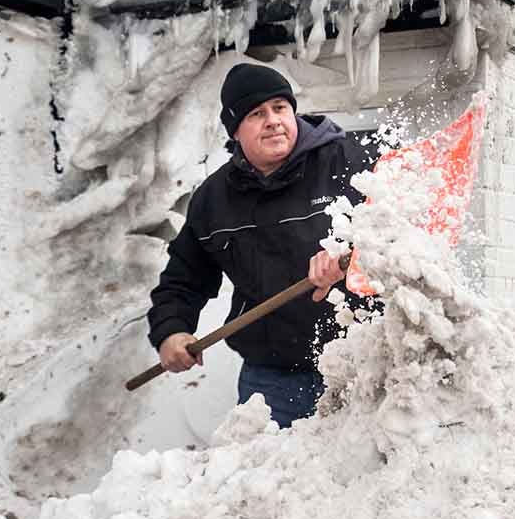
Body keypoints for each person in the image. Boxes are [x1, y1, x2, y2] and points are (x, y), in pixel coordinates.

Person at [146, 62, 374, 428]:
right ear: (235, 130)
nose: (272, 120)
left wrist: (350, 257)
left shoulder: (347, 161)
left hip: (363, 365)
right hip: (274, 379)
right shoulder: (214, 200)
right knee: (270, 480)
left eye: (280, 108)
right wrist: (171, 330)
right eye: (257, 113)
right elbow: (182, 279)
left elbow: (402, 231)